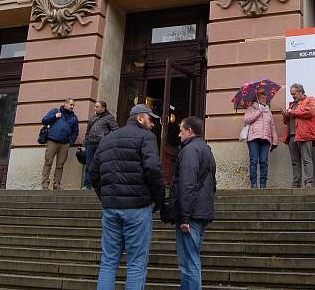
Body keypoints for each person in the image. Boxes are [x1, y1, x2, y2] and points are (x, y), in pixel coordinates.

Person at [89, 104, 165, 290]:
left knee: (108, 263)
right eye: (150, 119)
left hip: (111, 208)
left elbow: (93, 172)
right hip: (138, 208)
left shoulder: (107, 139)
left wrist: (106, 197)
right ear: (140, 118)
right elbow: (153, 169)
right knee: (136, 264)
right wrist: (158, 198)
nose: (153, 124)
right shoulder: (146, 137)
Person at [168, 116, 216, 290]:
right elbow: (212, 184)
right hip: (202, 211)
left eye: (181, 130)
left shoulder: (189, 150)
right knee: (191, 259)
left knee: (189, 262)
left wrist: (185, 217)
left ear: (189, 131)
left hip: (192, 213)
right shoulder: (206, 149)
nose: (179, 134)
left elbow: (187, 184)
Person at [282, 83, 315, 188]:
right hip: (292, 136)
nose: (292, 96)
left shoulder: (310, 100)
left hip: (304, 135)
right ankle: (296, 183)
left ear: (301, 92)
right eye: (291, 94)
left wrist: (293, 112)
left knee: (307, 159)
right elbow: (286, 121)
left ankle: (308, 182)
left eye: (294, 94)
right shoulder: (291, 104)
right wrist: (285, 114)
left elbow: (310, 112)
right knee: (295, 162)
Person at [41, 98, 79, 190]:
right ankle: (45, 183)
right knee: (48, 162)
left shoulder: (74, 117)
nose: (72, 107)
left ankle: (56, 184)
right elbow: (44, 120)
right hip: (52, 140)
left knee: (60, 164)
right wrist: (54, 116)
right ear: (65, 104)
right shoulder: (55, 111)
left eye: (73, 105)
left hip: (65, 143)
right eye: (71, 105)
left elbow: (75, 131)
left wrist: (71, 141)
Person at [243, 90, 277, 189]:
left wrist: (274, 141)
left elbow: (272, 126)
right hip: (253, 138)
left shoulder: (268, 111)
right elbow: (246, 119)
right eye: (262, 98)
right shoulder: (250, 109)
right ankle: (253, 184)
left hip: (266, 139)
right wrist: (258, 112)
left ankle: (263, 185)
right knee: (253, 161)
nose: (264, 99)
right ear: (256, 98)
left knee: (264, 161)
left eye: (265, 98)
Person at [82, 100, 119, 189]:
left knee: (101, 164)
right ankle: (87, 185)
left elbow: (116, 130)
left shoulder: (109, 117)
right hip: (91, 143)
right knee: (89, 164)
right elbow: (87, 132)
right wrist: (84, 144)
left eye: (97, 107)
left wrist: (108, 141)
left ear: (103, 108)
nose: (95, 108)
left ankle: (100, 185)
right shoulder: (93, 117)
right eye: (95, 106)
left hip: (101, 144)